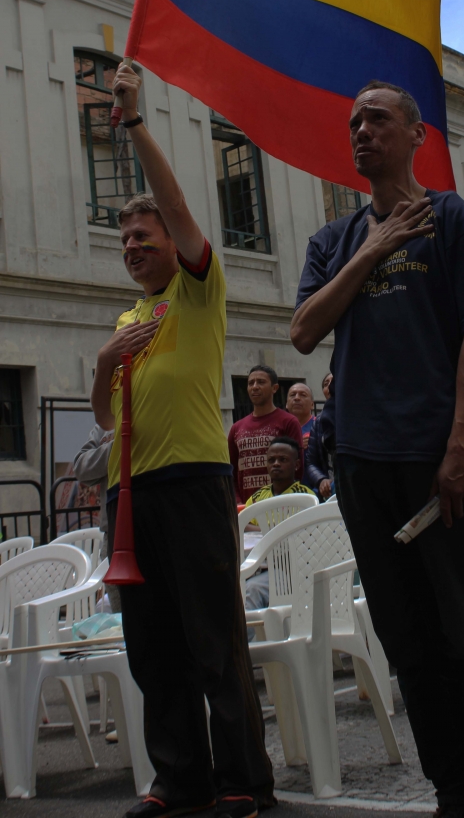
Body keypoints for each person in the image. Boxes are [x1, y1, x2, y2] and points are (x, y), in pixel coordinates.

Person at [291, 80, 464, 818]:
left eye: (379, 118)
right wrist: (375, 246)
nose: (362, 130)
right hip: (362, 463)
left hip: (438, 461)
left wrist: (463, 444)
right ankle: (453, 789)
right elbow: (304, 330)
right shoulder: (333, 240)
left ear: (415, 134)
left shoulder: (450, 217)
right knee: (408, 638)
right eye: (355, 121)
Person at [90, 63, 272, 818]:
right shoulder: (127, 321)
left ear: (174, 240)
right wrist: (106, 362)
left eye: (144, 233)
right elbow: (105, 417)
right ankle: (177, 779)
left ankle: (240, 780)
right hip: (127, 494)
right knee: (153, 648)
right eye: (125, 236)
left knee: (211, 640)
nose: (133, 244)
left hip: (194, 481)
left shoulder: (199, 288)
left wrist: (133, 123)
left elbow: (176, 202)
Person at [243, 438, 315, 616]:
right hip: (258, 568)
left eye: (283, 460)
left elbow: (300, 532)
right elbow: (244, 526)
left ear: (296, 465)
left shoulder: (306, 497)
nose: (276, 464)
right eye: (271, 460)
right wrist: (273, 531)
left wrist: (263, 531)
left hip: (292, 572)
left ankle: (245, 644)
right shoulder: (257, 497)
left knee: (251, 591)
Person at [228, 366, 303, 505]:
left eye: (261, 382)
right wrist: (238, 503)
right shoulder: (236, 428)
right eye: (251, 383)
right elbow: (231, 471)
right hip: (246, 508)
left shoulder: (289, 422)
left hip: (281, 506)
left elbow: (298, 467)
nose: (255, 387)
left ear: (274, 388)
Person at [72, 423, 119, 612]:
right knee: (122, 615)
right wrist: (118, 447)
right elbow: (81, 467)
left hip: (152, 523)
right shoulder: (104, 425)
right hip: (113, 531)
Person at [305, 372, 335, 499]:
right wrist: (321, 480)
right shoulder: (318, 422)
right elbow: (311, 462)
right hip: (329, 491)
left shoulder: (358, 415)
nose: (329, 387)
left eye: (333, 381)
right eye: (325, 384)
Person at [285, 382, 315, 449]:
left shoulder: (321, 425)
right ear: (286, 404)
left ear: (312, 404)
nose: (297, 398)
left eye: (303, 395)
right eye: (292, 395)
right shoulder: (280, 427)